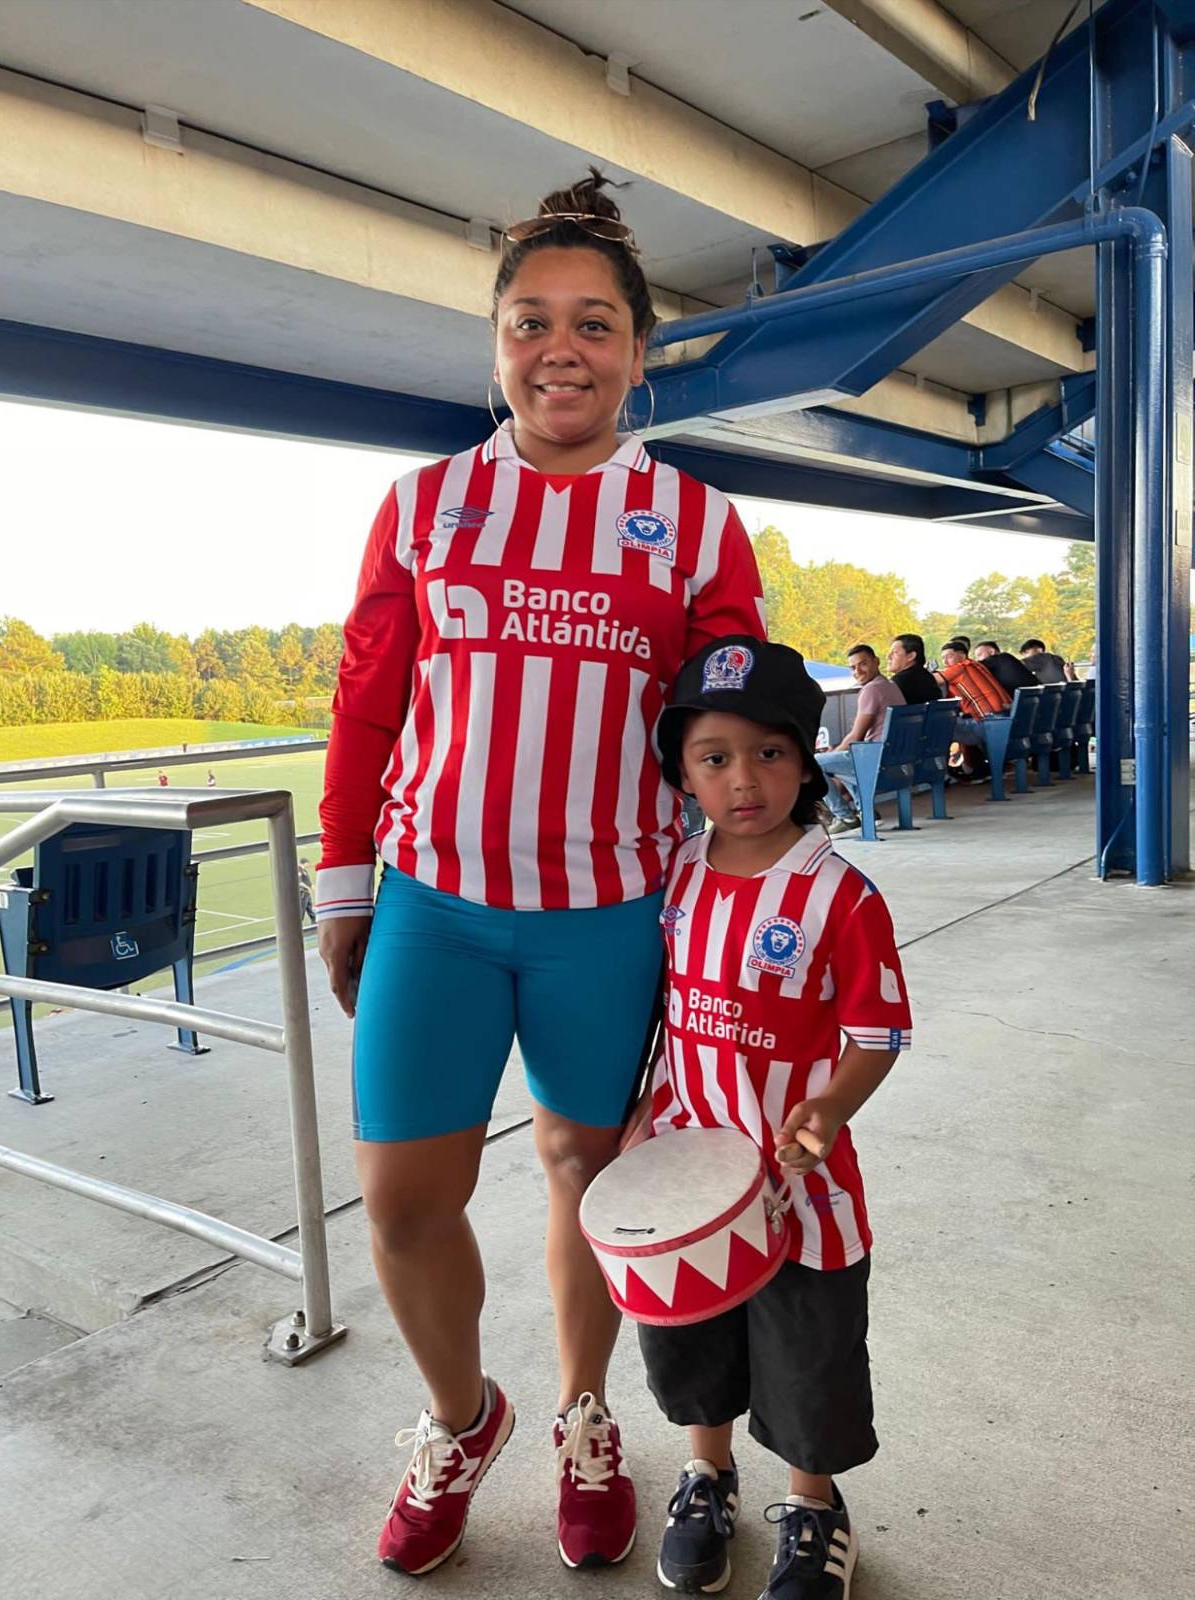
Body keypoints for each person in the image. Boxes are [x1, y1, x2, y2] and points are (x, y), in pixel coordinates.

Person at [315, 169, 767, 1577]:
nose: (558, 349)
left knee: (587, 1171)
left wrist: (738, 903)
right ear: (495, 343)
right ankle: (465, 1418)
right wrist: (345, 884)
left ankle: (584, 1416)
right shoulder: (423, 506)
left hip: (611, 913)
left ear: (637, 349)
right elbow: (368, 702)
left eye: (591, 323)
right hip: (436, 904)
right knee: (401, 1199)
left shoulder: (696, 523)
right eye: (528, 321)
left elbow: (732, 731)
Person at [621, 635, 910, 1600]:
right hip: (684, 1172)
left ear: (804, 754)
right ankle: (707, 1478)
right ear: (683, 773)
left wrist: (827, 1106)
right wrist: (637, 1114)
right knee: (691, 1335)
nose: (744, 779)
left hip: (800, 1184)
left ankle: (813, 1506)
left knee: (806, 1353)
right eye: (715, 757)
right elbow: (660, 1012)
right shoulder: (678, 878)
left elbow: (876, 1033)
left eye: (770, 753)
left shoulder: (841, 895)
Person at [814, 645, 905, 835]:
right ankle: (867, 811)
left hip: (876, 762)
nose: (858, 671)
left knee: (811, 763)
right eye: (853, 668)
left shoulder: (871, 690)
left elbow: (857, 735)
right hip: (895, 760)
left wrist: (834, 752)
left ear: (876, 661)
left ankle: (844, 815)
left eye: (863, 664)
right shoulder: (890, 685)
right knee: (844, 758)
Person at [935, 640, 1010, 778]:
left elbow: (932, 680)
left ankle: (942, 775)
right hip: (1002, 720)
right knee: (963, 719)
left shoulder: (960, 667)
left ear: (962, 655)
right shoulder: (976, 665)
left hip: (988, 725)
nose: (945, 661)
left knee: (939, 727)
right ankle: (972, 768)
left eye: (949, 656)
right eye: (943, 658)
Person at [885, 633, 941, 705]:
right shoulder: (928, 677)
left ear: (911, 656)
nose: (888, 657)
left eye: (895, 652)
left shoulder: (900, 681)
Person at [973, 640, 1037, 695]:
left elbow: (973, 666)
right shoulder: (1006, 660)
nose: (977, 660)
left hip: (1022, 702)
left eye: (979, 655)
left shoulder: (1001, 658)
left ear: (991, 651)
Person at [297, 859, 316, 926]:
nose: (308, 865)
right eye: (307, 863)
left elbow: (308, 881)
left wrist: (313, 887)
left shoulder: (304, 870)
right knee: (302, 909)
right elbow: (300, 882)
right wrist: (308, 887)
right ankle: (298, 924)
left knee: (310, 908)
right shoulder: (299, 870)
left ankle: (314, 921)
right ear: (304, 863)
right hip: (303, 893)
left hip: (307, 893)